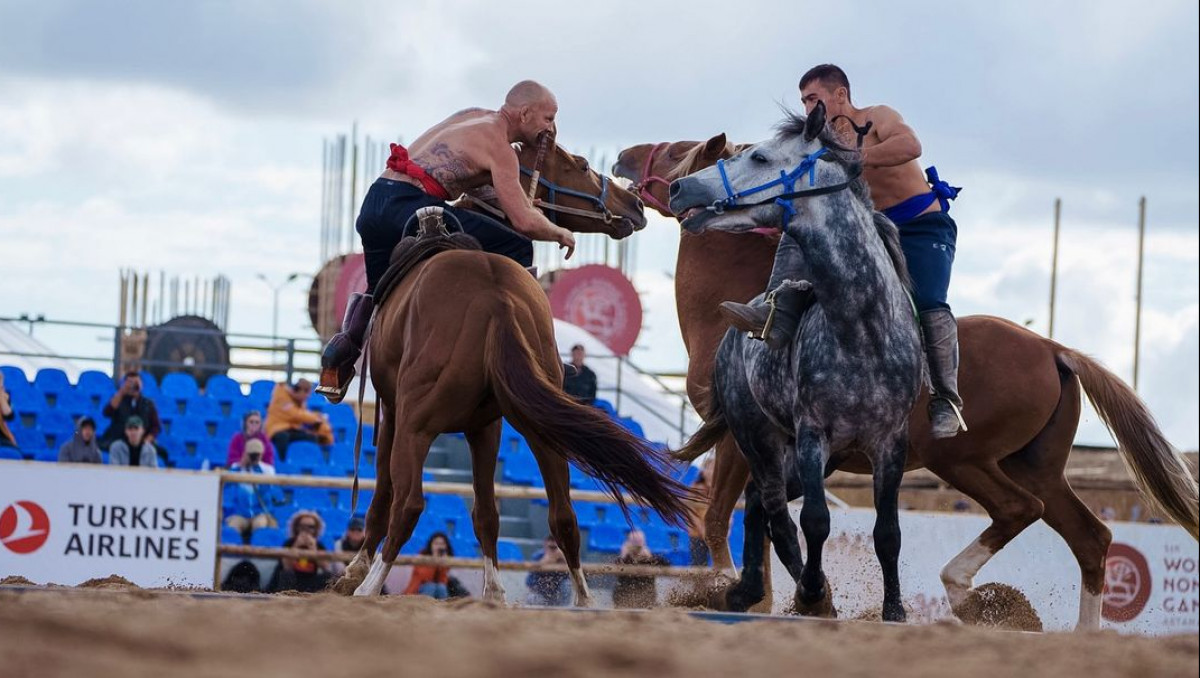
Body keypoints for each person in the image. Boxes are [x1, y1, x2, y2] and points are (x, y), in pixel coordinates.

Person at [718, 64, 966, 438]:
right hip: (871, 232)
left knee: (929, 300)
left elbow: (910, 146)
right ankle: (773, 310)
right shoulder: (817, 142)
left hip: (920, 228)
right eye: (803, 101)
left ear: (840, 96)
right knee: (798, 227)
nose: (807, 108)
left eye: (813, 98)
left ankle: (946, 398)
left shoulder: (877, 117)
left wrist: (851, 158)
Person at [317, 80, 578, 403]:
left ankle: (339, 357)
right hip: (412, 204)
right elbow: (523, 221)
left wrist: (514, 202)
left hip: (376, 202)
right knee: (518, 245)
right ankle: (527, 340)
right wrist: (558, 232)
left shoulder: (471, 116)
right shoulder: (500, 148)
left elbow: (474, 186)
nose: (551, 130)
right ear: (524, 113)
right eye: (548, 119)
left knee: (379, 288)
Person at [223, 439, 280, 540]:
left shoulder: (267, 469)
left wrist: (256, 468)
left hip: (259, 513)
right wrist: (241, 465)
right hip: (241, 513)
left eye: (257, 454)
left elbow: (266, 489)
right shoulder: (237, 467)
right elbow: (226, 484)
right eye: (252, 454)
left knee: (260, 528)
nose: (254, 457)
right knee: (231, 528)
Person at [265, 379, 333, 459]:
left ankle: (308, 460)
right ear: (300, 390)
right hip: (276, 430)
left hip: (291, 429)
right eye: (306, 394)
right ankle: (282, 463)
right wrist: (317, 417)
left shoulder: (300, 402)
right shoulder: (281, 396)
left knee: (311, 437)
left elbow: (304, 415)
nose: (307, 397)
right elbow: (296, 415)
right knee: (283, 436)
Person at [269, 510, 331, 593]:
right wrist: (296, 546)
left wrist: (313, 550)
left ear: (316, 529)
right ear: (296, 527)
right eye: (302, 526)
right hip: (292, 581)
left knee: (327, 577)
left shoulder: (319, 545)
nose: (306, 530)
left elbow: (326, 568)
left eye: (310, 527)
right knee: (287, 575)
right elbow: (286, 567)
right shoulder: (289, 543)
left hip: (310, 582)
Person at [99, 371, 163, 450]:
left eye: (136, 382)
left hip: (142, 441)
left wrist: (146, 441)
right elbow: (107, 412)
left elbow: (156, 426)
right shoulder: (118, 400)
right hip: (119, 440)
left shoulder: (148, 404)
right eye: (130, 382)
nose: (133, 385)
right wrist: (122, 391)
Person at [612, 529, 669, 609]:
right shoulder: (624, 559)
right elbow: (615, 569)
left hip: (647, 598)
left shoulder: (649, 559)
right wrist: (625, 556)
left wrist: (649, 557)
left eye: (638, 548)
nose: (636, 550)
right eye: (634, 547)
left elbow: (666, 564)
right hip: (624, 597)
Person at [404, 532, 470, 599]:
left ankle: (442, 608)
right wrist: (434, 560)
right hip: (418, 590)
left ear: (446, 546)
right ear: (431, 545)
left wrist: (443, 565)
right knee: (430, 587)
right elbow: (424, 578)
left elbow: (442, 581)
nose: (439, 546)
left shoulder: (446, 558)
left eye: (442, 544)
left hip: (438, 590)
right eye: (436, 543)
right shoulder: (422, 556)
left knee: (441, 588)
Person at [524, 535, 571, 606]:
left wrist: (564, 561)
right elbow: (529, 582)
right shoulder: (537, 556)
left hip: (558, 594)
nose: (553, 551)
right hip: (541, 593)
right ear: (545, 546)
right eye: (551, 547)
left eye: (555, 548)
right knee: (531, 598)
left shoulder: (565, 558)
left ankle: (564, 611)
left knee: (567, 585)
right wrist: (544, 562)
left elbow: (572, 578)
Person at [686, 456, 715, 567]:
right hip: (698, 534)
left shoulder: (718, 490)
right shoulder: (697, 488)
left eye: (714, 469)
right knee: (698, 565)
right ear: (703, 471)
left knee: (719, 566)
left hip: (716, 534)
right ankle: (699, 585)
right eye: (709, 468)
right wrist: (703, 530)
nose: (712, 472)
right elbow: (691, 511)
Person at [328, 514, 367, 580]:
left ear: (364, 532)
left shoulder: (368, 545)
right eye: (352, 530)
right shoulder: (339, 544)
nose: (356, 532)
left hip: (364, 578)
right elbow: (339, 568)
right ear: (347, 532)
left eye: (359, 530)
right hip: (343, 578)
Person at [0, 371, 16, 449]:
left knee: (13, 450)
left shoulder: (5, 396)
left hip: (2, 437)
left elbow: (9, 416)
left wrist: (1, 397)